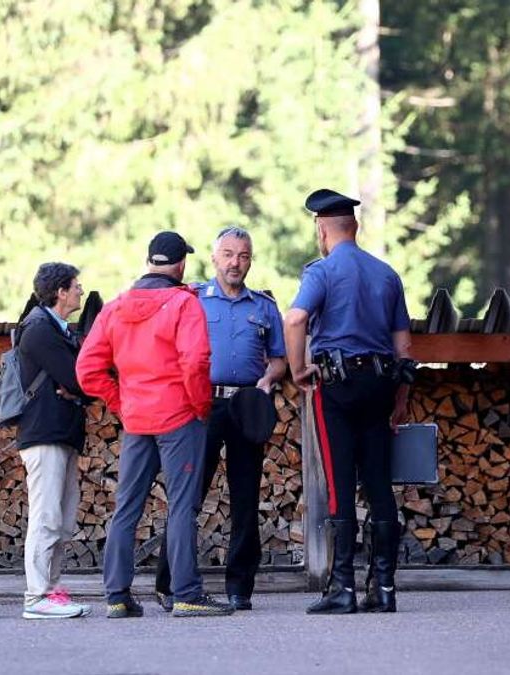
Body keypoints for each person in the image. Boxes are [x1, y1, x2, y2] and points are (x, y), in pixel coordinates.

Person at [76, 231, 233, 618]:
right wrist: (200, 407)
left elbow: (87, 370)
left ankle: (116, 596)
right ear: (181, 265)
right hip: (179, 416)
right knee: (181, 506)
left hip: (137, 420)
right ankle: (186, 593)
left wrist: (122, 404)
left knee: (126, 507)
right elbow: (195, 362)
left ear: (149, 261)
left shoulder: (116, 307)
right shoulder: (184, 303)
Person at [283, 188, 415, 615]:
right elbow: (404, 350)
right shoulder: (386, 274)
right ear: (354, 227)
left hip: (337, 386)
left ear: (322, 230)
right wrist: (401, 399)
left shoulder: (321, 273)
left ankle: (342, 588)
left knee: (340, 483)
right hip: (380, 386)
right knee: (378, 482)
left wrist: (298, 367)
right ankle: (385, 589)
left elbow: (295, 318)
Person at [153, 226, 287, 612]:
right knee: (188, 498)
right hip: (201, 407)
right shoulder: (192, 298)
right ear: (214, 258)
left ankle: (240, 589)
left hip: (246, 406)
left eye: (243, 256)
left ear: (250, 261)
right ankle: (169, 584)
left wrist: (268, 379)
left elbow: (278, 358)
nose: (235, 262)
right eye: (228, 254)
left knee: (245, 499)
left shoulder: (263, 306)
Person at [16, 262, 91, 620]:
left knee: (61, 519)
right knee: (45, 516)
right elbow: (79, 378)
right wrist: (77, 388)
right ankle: (36, 595)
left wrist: (78, 389)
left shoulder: (58, 330)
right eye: (75, 286)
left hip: (62, 434)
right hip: (44, 434)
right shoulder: (39, 330)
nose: (80, 291)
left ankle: (52, 589)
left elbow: (81, 382)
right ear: (60, 291)